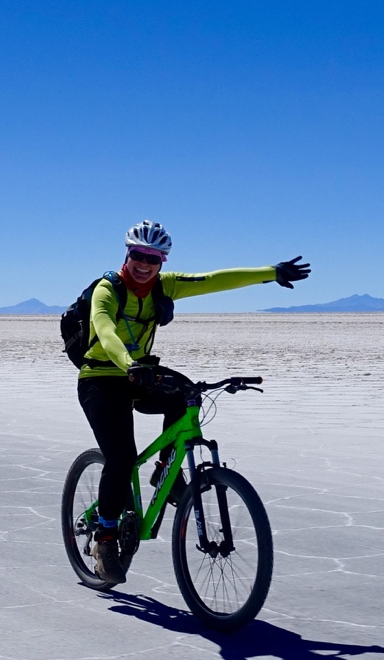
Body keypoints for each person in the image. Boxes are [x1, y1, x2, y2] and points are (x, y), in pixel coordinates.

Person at [76, 220, 310, 583]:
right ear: (127, 254)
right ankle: (105, 537)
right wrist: (129, 364)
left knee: (186, 395)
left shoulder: (165, 285)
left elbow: (215, 280)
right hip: (101, 377)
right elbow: (105, 332)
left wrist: (272, 273)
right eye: (139, 255)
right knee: (121, 457)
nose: (145, 263)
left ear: (163, 261)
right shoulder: (108, 290)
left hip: (141, 373)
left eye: (153, 258)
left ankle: (165, 470)